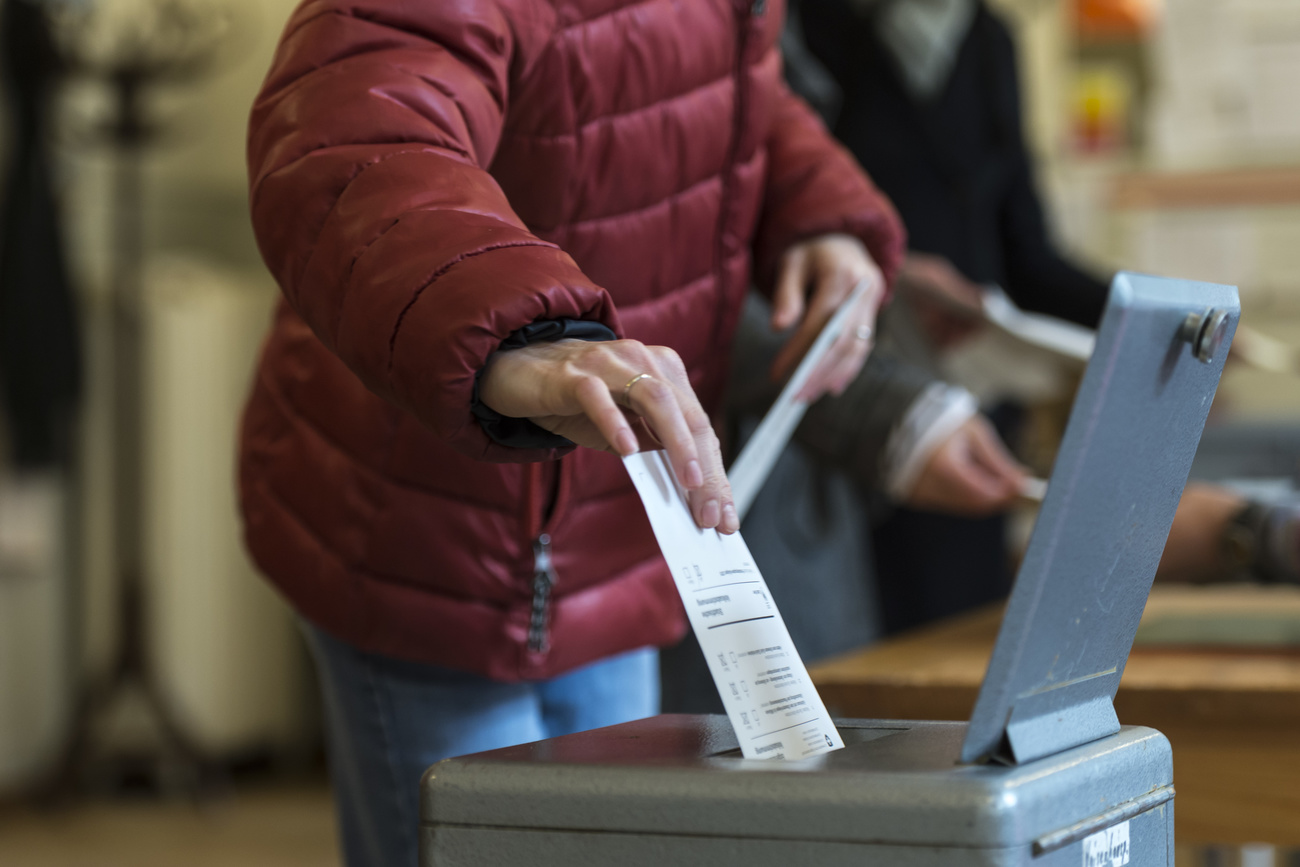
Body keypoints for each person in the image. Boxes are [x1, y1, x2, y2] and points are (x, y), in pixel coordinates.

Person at [239, 2, 905, 864]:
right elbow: (355, 140)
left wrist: (818, 209)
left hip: (612, 522)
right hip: (433, 525)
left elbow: (714, 79)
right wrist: (520, 328)